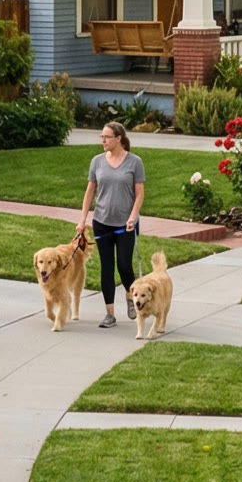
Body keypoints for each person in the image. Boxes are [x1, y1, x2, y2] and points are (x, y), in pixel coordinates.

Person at [77, 121, 147, 329]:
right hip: (102, 223)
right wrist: (82, 220)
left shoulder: (135, 162)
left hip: (125, 224)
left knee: (124, 265)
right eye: (102, 137)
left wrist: (132, 217)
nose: (103, 141)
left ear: (119, 139)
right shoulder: (97, 161)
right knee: (106, 268)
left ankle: (131, 295)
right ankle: (109, 314)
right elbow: (90, 191)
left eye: (107, 137)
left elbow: (140, 193)